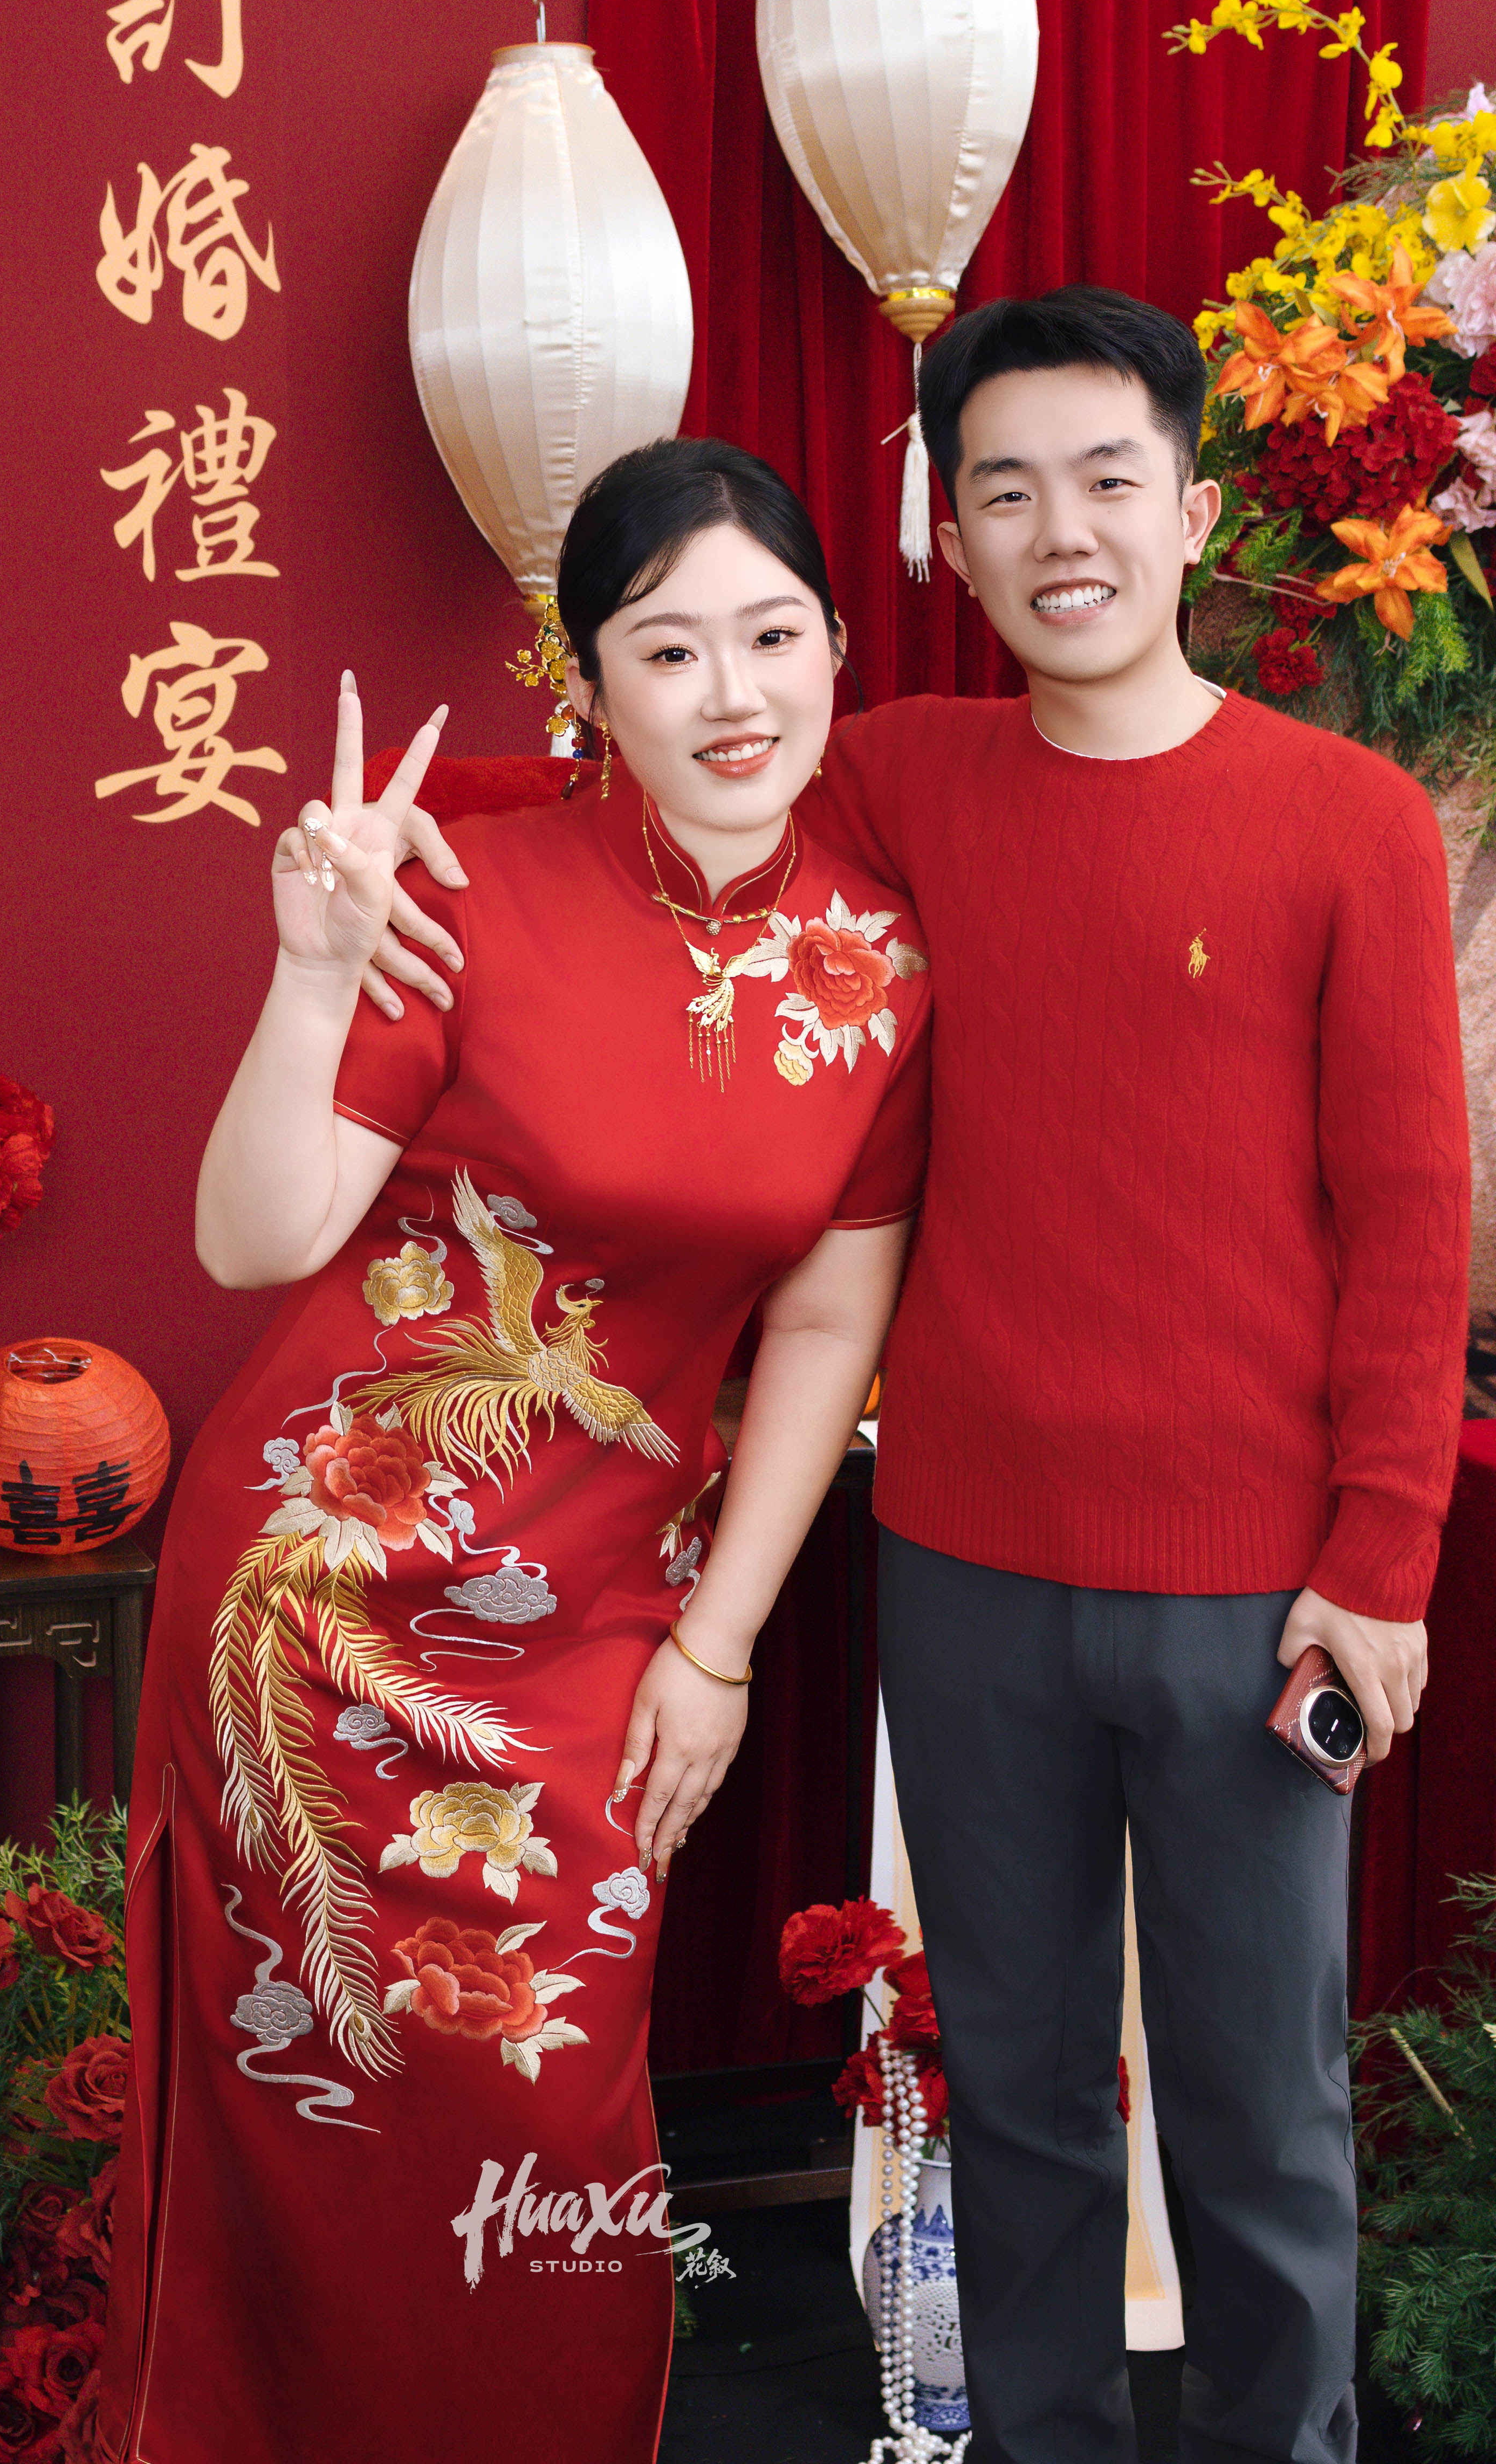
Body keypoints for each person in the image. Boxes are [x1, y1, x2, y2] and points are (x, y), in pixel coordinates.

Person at [371, 289, 1472, 2464]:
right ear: (948, 541)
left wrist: (1378, 1562)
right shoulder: (904, 776)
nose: (1062, 532)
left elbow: (1411, 1224)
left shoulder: (1345, 818)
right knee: (1021, 2100)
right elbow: (657, 792)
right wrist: (394, 843)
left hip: (1251, 1591)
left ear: (1190, 508)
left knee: (1257, 2118)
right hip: (965, 1567)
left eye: (1106, 480)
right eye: (1006, 493)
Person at [96, 440, 933, 2464]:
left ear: (837, 646)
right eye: (669, 649)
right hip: (315, 1599)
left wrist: (719, 1646)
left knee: (548, 2108)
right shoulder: (470, 889)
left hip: (599, 1624)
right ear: (592, 682)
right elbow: (255, 1240)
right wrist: (312, 979)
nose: (732, 695)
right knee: (311, 2110)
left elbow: (828, 1326)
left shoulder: (885, 968)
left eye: (773, 636)